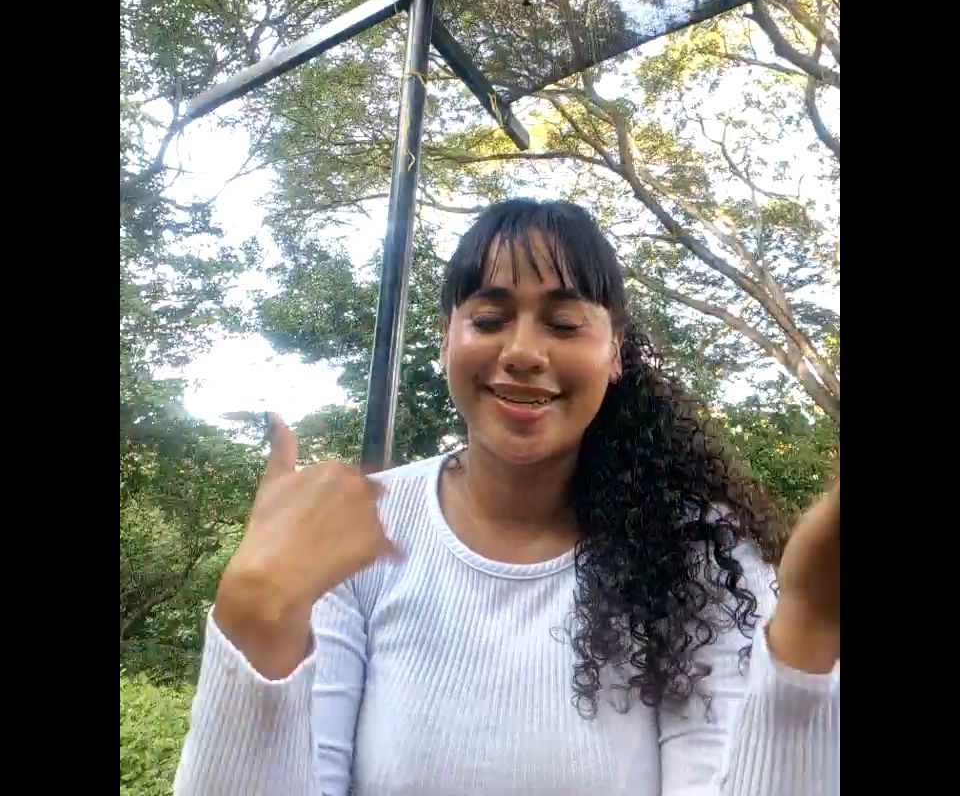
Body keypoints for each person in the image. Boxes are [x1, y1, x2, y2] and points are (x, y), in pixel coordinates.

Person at [174, 199, 839, 796]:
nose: (522, 352)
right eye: (490, 318)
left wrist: (809, 634)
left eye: (564, 324)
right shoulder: (359, 531)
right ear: (447, 339)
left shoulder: (698, 552)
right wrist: (254, 618)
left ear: (615, 353)